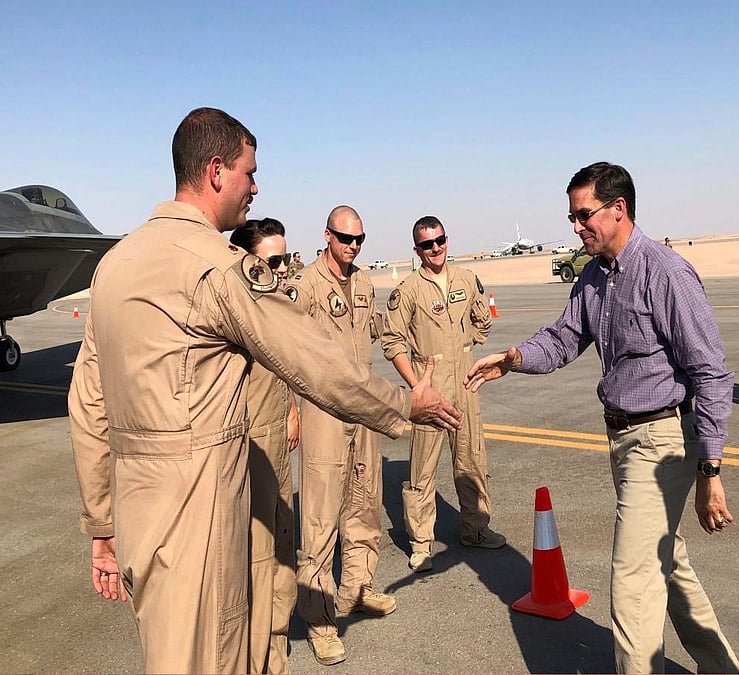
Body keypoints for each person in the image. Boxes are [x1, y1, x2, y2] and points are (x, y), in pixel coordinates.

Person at [67, 107, 461, 674]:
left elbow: (88, 404)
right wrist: (403, 403)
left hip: (136, 512)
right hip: (198, 512)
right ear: (216, 171)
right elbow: (313, 360)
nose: (255, 187)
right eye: (249, 174)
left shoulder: (114, 265)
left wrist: (102, 523)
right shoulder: (217, 268)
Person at [465, 162, 739, 674]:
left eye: (584, 215)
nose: (576, 227)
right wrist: (515, 359)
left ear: (619, 209)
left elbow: (711, 373)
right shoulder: (594, 277)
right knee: (667, 564)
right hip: (623, 438)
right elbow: (564, 337)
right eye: (572, 217)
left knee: (632, 589)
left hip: (662, 440)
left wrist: (711, 469)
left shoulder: (665, 272)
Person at [286, 205, 395, 666]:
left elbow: (380, 334)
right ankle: (319, 620)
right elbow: (283, 350)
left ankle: (357, 587)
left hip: (362, 409)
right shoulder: (305, 286)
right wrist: (291, 409)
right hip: (323, 411)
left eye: (359, 239)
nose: (353, 246)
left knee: (364, 502)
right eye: (345, 238)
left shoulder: (364, 283)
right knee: (320, 516)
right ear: (327, 236)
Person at [382, 215, 504, 575]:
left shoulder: (466, 279)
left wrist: (467, 346)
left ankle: (475, 529)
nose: (435, 248)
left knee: (472, 460)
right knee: (423, 470)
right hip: (430, 387)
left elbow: (483, 321)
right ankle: (421, 543)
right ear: (417, 249)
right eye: (427, 244)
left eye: (440, 241)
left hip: (464, 383)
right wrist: (416, 384)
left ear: (447, 240)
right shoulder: (408, 290)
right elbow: (392, 341)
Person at [229, 218, 298, 674]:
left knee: (283, 552)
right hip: (249, 446)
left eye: (285, 259)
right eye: (273, 261)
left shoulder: (274, 303)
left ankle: (276, 655)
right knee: (256, 562)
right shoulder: (234, 309)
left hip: (278, 443)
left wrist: (293, 410)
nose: (282, 269)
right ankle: (259, 662)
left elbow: (285, 366)